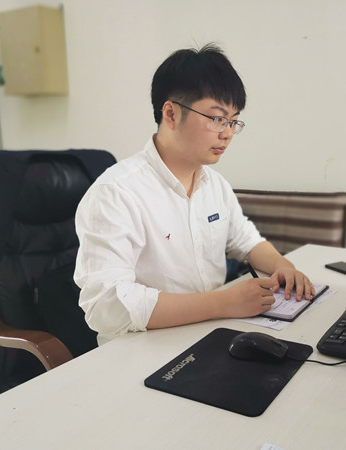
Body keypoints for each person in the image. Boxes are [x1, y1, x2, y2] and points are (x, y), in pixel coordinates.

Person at [74, 44, 314, 341]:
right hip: (143, 347)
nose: (227, 133)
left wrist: (283, 266)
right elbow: (106, 306)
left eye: (233, 121)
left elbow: (246, 241)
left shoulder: (215, 185)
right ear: (171, 114)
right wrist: (223, 303)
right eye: (217, 118)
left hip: (211, 333)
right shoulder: (116, 193)